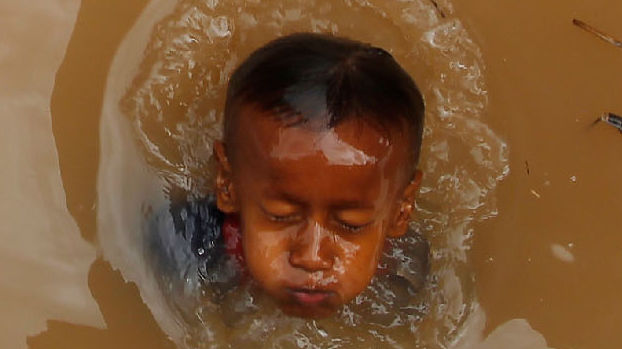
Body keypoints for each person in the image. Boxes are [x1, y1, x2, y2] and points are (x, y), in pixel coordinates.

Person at [152, 33, 427, 317]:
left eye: (351, 225)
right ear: (228, 185)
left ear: (401, 210)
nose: (311, 257)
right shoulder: (189, 241)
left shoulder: (403, 270)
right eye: (281, 215)